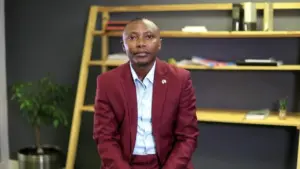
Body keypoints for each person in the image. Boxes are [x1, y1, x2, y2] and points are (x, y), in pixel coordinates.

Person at [93, 18, 199, 169]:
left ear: (159, 43)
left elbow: (187, 136)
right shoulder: (107, 82)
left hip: (169, 164)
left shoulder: (180, 79)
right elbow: (104, 137)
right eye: (132, 37)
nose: (141, 43)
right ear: (124, 45)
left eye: (149, 37)